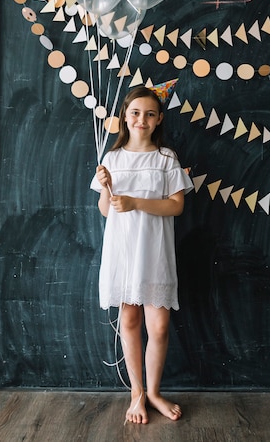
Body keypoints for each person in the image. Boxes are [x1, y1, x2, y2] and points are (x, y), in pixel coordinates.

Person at [90, 85, 193, 425]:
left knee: (159, 326)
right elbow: (107, 210)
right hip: (123, 251)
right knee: (130, 321)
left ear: (159, 119)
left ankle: (154, 392)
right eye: (135, 112)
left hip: (155, 251)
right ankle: (136, 392)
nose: (142, 119)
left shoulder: (166, 158)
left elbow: (176, 206)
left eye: (150, 114)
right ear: (125, 116)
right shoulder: (113, 159)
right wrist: (106, 184)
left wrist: (136, 202)